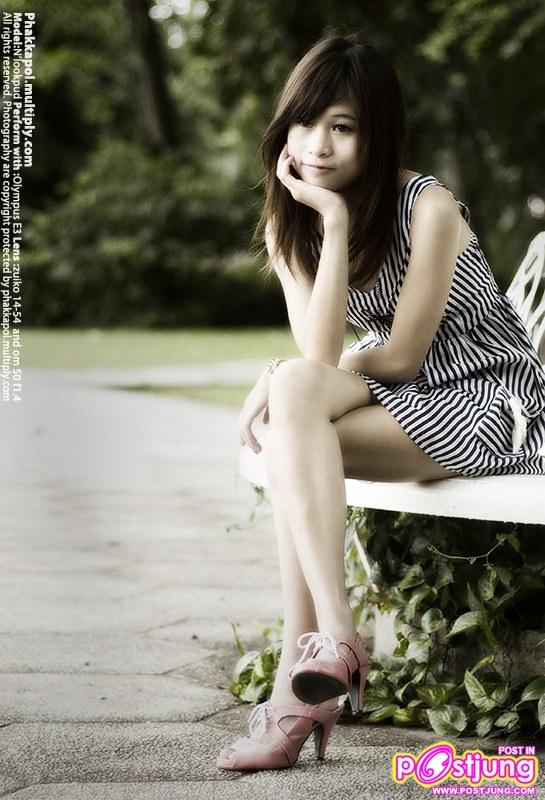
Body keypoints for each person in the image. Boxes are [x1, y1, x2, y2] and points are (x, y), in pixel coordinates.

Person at [216, 32, 545, 772]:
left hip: (488, 397)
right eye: (305, 122)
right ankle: (329, 647)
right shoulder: (288, 224)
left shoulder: (426, 206)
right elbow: (319, 355)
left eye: (343, 126)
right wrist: (325, 230)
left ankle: (302, 681)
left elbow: (399, 355)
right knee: (295, 408)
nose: (318, 144)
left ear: (377, 134)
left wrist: (290, 373)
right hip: (406, 399)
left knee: (293, 402)